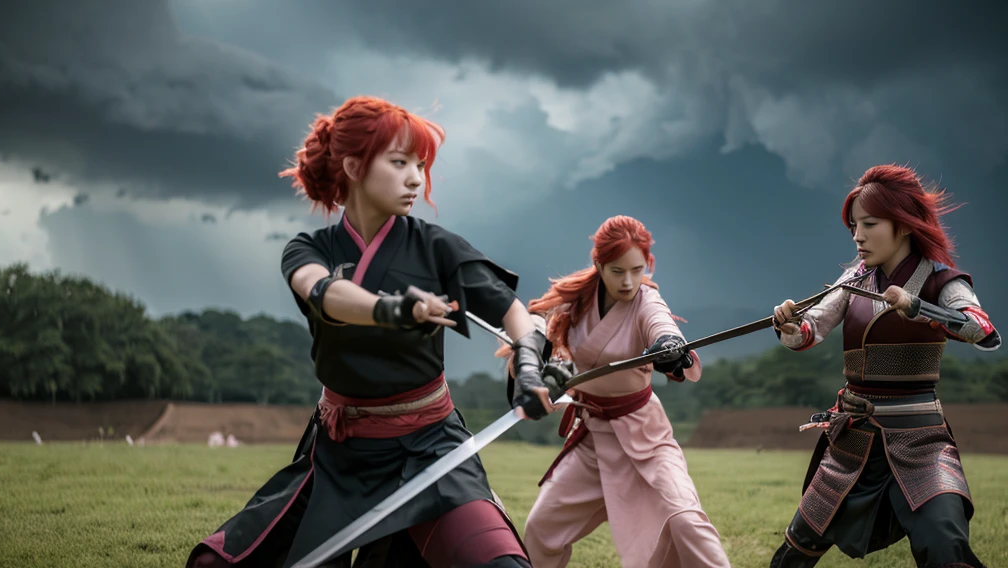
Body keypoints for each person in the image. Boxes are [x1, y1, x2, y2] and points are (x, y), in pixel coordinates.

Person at [186, 95, 557, 568]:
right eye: (399, 162)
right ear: (354, 166)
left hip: (431, 450)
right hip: (339, 458)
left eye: (420, 166)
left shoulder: (436, 246)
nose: (415, 179)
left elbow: (516, 316)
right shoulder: (309, 248)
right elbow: (324, 292)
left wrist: (528, 365)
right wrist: (393, 309)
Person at [769, 164, 1001, 568]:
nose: (857, 236)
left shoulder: (943, 280)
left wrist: (917, 307)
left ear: (905, 225)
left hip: (921, 443)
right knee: (795, 550)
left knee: (945, 546)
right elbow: (809, 331)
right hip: (852, 443)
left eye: (869, 224)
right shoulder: (853, 280)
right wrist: (788, 323)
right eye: (854, 226)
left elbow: (982, 330)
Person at [499, 215, 732, 568]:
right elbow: (538, 331)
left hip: (646, 439)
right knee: (540, 529)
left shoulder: (646, 302)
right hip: (593, 438)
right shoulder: (576, 301)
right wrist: (538, 362)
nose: (628, 282)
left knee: (686, 519)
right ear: (599, 265)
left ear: (647, 266)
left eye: (637, 270)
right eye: (617, 271)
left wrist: (669, 345)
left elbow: (661, 323)